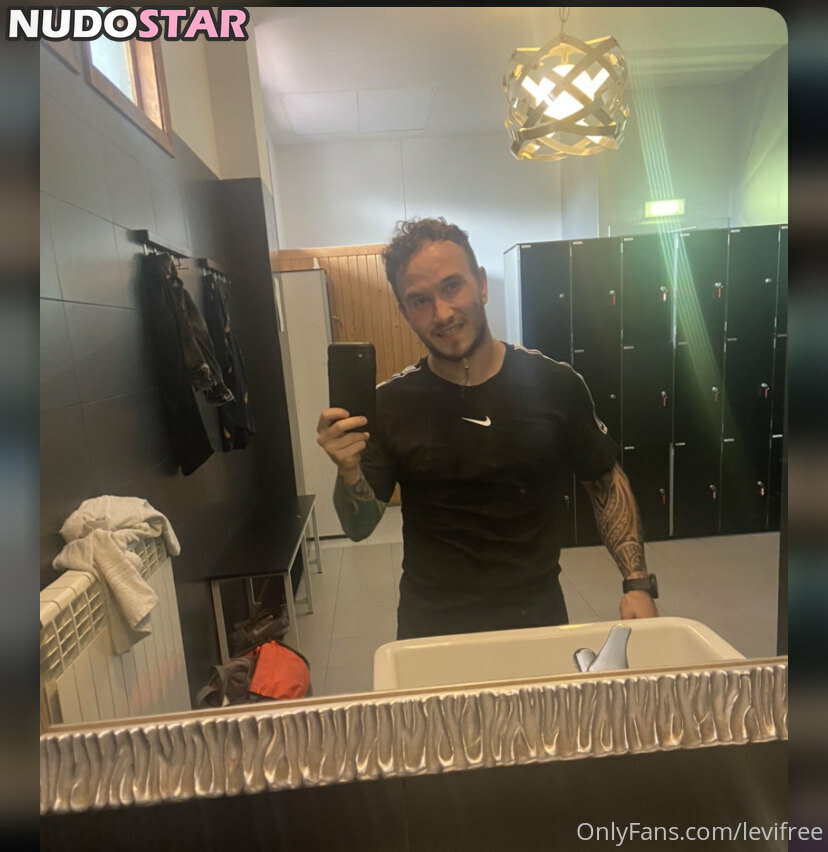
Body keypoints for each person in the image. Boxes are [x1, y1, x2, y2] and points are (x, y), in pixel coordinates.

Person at [317, 217, 659, 640]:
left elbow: (604, 481)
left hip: (536, 622)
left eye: (452, 286)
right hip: (432, 631)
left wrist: (637, 584)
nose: (442, 313)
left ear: (480, 284)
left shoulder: (555, 384)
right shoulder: (389, 404)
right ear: (404, 312)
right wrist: (348, 470)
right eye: (420, 300)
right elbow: (359, 528)